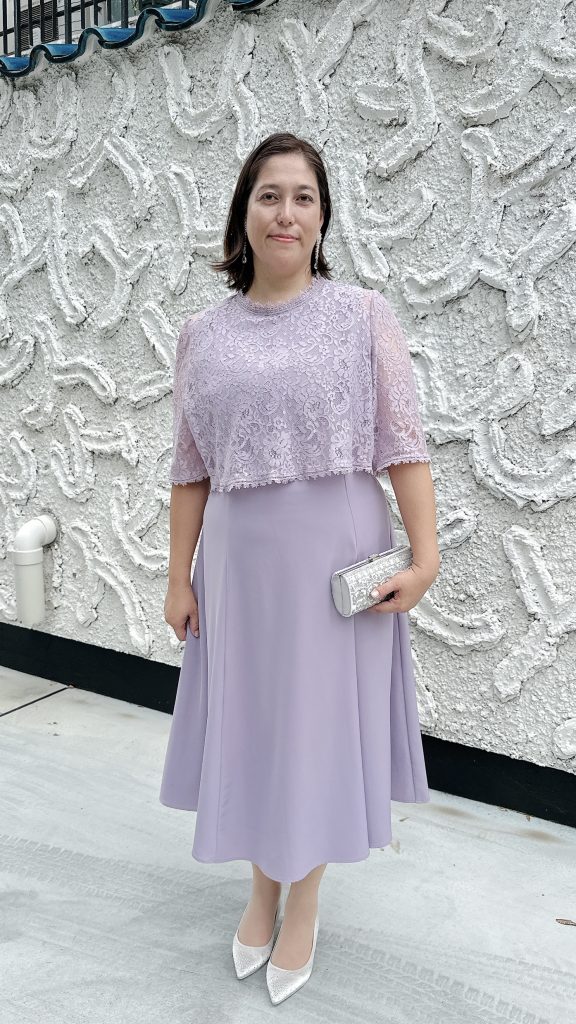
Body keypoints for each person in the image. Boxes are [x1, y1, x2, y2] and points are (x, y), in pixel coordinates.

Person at [160, 131, 440, 1004]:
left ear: (323, 219)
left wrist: (426, 557)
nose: (286, 212)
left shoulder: (363, 314)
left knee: (315, 732)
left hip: (334, 557)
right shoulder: (202, 334)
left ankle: (304, 901)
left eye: (304, 197)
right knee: (253, 725)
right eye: (270, 195)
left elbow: (402, 443)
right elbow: (189, 467)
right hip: (238, 563)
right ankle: (261, 889)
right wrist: (177, 577)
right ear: (243, 213)